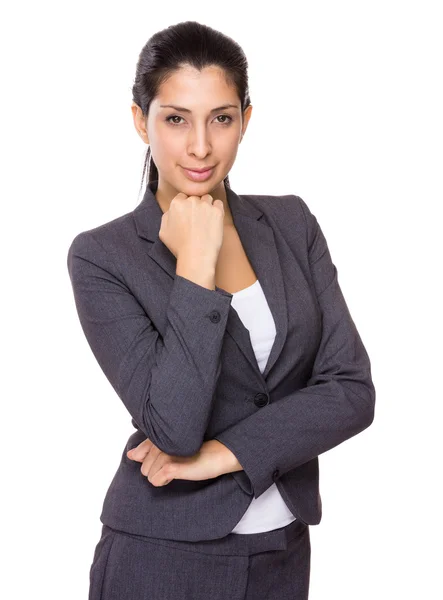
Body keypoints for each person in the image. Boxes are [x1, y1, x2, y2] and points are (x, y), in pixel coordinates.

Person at [67, 20, 376, 600]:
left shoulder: (291, 223)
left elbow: (352, 391)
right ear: (141, 121)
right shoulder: (102, 257)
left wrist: (224, 456)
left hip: (281, 555)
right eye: (176, 118)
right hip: (160, 558)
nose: (201, 146)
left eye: (222, 118)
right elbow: (174, 427)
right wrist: (195, 266)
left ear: (246, 120)